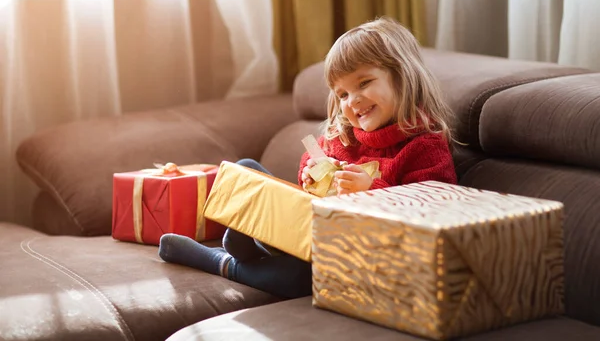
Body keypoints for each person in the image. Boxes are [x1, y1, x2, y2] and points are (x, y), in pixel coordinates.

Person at [158, 16, 457, 299]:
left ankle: (223, 263)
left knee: (305, 279)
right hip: (307, 229)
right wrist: (310, 172)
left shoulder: (425, 146)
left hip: (355, 255)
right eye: (342, 95)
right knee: (246, 171)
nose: (353, 101)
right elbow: (310, 178)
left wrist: (372, 192)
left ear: (402, 77)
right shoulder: (345, 135)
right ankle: (250, 241)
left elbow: (431, 219)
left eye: (364, 83)